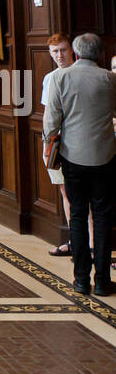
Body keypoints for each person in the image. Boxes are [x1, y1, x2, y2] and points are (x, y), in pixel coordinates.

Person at [44, 32, 116, 297]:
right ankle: (102, 281)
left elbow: (51, 120)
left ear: (75, 52)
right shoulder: (110, 79)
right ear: (99, 53)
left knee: (77, 214)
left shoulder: (60, 78)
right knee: (102, 217)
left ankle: (81, 279)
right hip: (105, 157)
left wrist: (49, 144)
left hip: (72, 157)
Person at [41, 32, 78, 257]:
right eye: (55, 51)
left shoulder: (81, 74)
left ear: (72, 50)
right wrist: (47, 145)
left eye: (63, 50)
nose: (59, 55)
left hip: (77, 142)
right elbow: (48, 114)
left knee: (82, 197)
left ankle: (90, 244)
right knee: (66, 194)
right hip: (56, 142)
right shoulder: (50, 78)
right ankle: (75, 241)